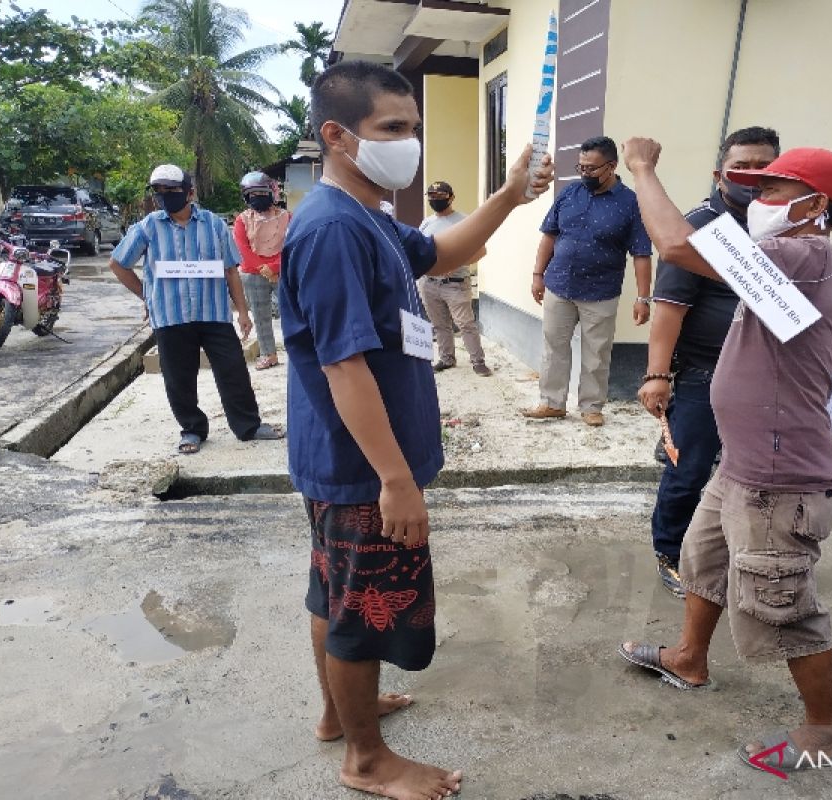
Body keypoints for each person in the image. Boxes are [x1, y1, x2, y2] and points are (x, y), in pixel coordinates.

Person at [279, 60, 552, 798]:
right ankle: (366, 761)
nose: (409, 145)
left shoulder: (369, 217)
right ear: (337, 137)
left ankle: (341, 715)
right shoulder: (333, 229)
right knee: (362, 615)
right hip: (364, 469)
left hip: (348, 464)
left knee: (330, 595)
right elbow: (344, 368)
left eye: (414, 130)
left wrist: (511, 189)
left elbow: (448, 252)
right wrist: (396, 481)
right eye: (392, 129)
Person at [618, 138, 832, 774]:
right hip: (743, 464)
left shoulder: (799, 253)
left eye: (774, 189)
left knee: (781, 603)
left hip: (778, 478)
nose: (759, 197)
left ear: (815, 205)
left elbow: (673, 246)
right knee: (704, 560)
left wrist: (641, 168)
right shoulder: (786, 257)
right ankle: (688, 659)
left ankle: (825, 730)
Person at [639, 126, 781, 599]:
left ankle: (731, 547)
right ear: (719, 173)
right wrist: (658, 377)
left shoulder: (777, 221)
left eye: (766, 165)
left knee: (747, 469)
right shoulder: (701, 224)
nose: (755, 175)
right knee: (690, 469)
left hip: (759, 377)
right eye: (744, 166)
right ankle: (670, 551)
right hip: (705, 375)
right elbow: (669, 306)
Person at [108, 164, 283, 455]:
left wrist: (242, 312)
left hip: (214, 314)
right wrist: (147, 297)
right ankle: (192, 429)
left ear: (190, 192)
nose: (165, 196)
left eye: (172, 190)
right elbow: (118, 264)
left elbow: (230, 270)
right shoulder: (148, 227)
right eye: (159, 191)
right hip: (170, 316)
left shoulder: (214, 225)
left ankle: (248, 426)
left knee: (233, 371)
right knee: (179, 377)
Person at [522, 136, 653, 427]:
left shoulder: (630, 203)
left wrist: (643, 297)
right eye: (581, 167)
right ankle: (551, 402)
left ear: (611, 166)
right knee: (553, 347)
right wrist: (537, 275)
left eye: (592, 169)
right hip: (559, 285)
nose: (585, 174)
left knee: (596, 353)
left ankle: (591, 407)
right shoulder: (570, 193)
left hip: (601, 291)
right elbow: (549, 236)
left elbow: (642, 253)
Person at [418, 180, 491, 376]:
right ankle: (446, 358)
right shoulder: (427, 222)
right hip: (429, 283)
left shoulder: (465, 221)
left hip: (455, 284)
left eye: (440, 197)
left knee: (465, 324)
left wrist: (455, 263)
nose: (435, 200)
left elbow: (480, 251)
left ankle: (478, 361)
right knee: (439, 324)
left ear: (451, 198)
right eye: (432, 197)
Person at [233, 171, 290, 370]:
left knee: (291, 313)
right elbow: (242, 248)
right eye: (252, 194)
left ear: (270, 193)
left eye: (260, 193)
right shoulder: (242, 220)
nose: (256, 198)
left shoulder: (286, 217)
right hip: (252, 274)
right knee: (260, 315)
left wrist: (275, 267)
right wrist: (262, 267)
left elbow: (292, 245)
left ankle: (298, 350)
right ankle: (269, 354)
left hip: (283, 272)